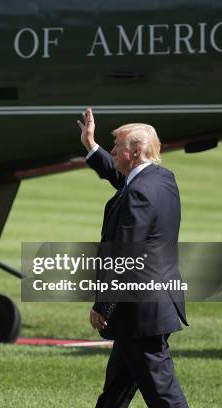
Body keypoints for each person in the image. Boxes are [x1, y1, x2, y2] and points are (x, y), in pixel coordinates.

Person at [77, 108, 189, 408]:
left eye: (117, 147)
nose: (112, 151)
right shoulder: (162, 179)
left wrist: (103, 304)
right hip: (147, 306)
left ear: (136, 151)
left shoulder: (139, 192)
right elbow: (121, 178)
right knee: (115, 393)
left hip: (140, 311)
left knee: (164, 395)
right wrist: (91, 146)